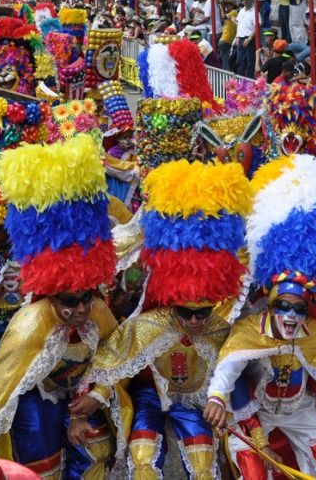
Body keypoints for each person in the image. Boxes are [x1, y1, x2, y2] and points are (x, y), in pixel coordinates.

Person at [0, 135, 120, 479]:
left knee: (98, 446)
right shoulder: (30, 323)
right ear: (50, 295)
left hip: (81, 394)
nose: (82, 308)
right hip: (36, 394)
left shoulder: (98, 311)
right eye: (70, 301)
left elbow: (117, 351)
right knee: (41, 460)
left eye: (87, 296)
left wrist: (98, 395)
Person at [87, 160, 251, 479]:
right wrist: (98, 395)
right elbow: (115, 359)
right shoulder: (151, 323)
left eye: (201, 312)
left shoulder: (220, 330)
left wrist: (224, 405)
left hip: (192, 401)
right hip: (149, 396)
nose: (193, 321)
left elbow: (239, 367)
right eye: (185, 312)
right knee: (143, 458)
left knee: (204, 465)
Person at [204, 155, 316, 480]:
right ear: (270, 305)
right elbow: (230, 368)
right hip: (258, 413)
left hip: (300, 410)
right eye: (283, 305)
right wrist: (216, 397)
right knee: (253, 472)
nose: (291, 314)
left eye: (299, 308)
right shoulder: (249, 330)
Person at [234, 0, 257, 78]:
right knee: (240, 63)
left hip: (249, 39)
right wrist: (237, 36)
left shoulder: (254, 12)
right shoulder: (241, 11)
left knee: (249, 63)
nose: (245, 1)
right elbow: (239, 24)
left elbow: (257, 26)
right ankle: (240, 83)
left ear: (251, 0)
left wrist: (250, 38)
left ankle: (249, 84)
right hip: (240, 38)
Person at [218, 0, 239, 72]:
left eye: (229, 4)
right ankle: (226, 74)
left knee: (215, 53)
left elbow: (223, 16)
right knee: (225, 59)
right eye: (226, 5)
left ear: (233, 6)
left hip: (225, 38)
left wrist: (221, 7)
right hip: (227, 39)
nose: (227, 6)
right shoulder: (231, 13)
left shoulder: (233, 12)